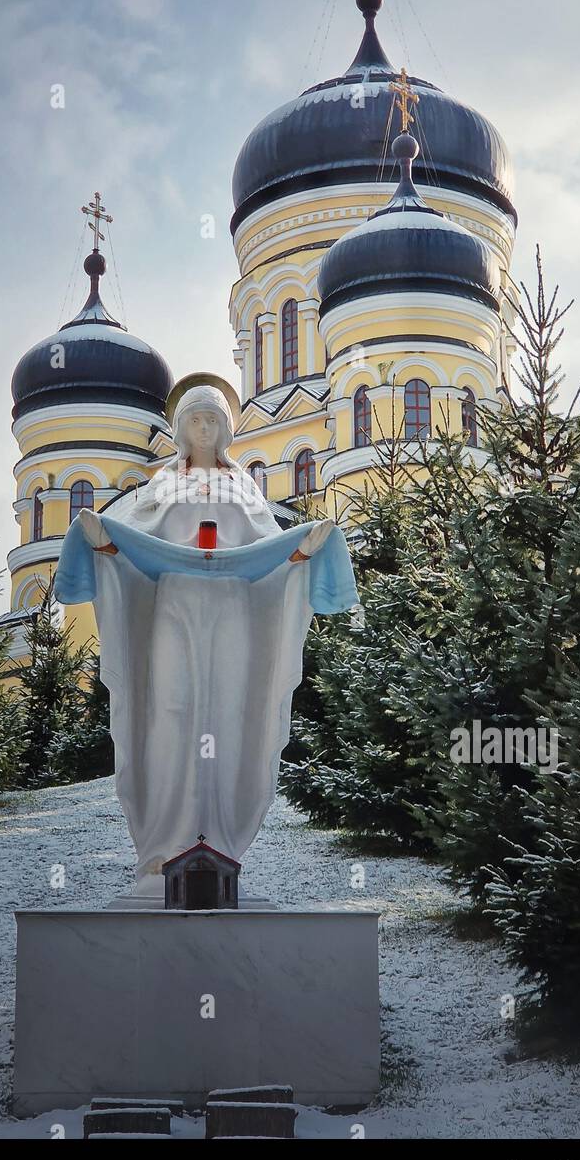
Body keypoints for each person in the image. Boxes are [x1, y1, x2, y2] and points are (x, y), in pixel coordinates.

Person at [55, 381, 357, 896]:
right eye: (195, 419)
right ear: (179, 429)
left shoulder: (244, 489)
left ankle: (218, 839)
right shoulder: (159, 487)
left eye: (213, 420)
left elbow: (269, 551)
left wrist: (301, 553)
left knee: (225, 714)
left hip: (232, 608)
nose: (203, 427)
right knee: (169, 710)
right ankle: (164, 843)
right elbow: (135, 550)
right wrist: (105, 544)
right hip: (175, 602)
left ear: (226, 430)